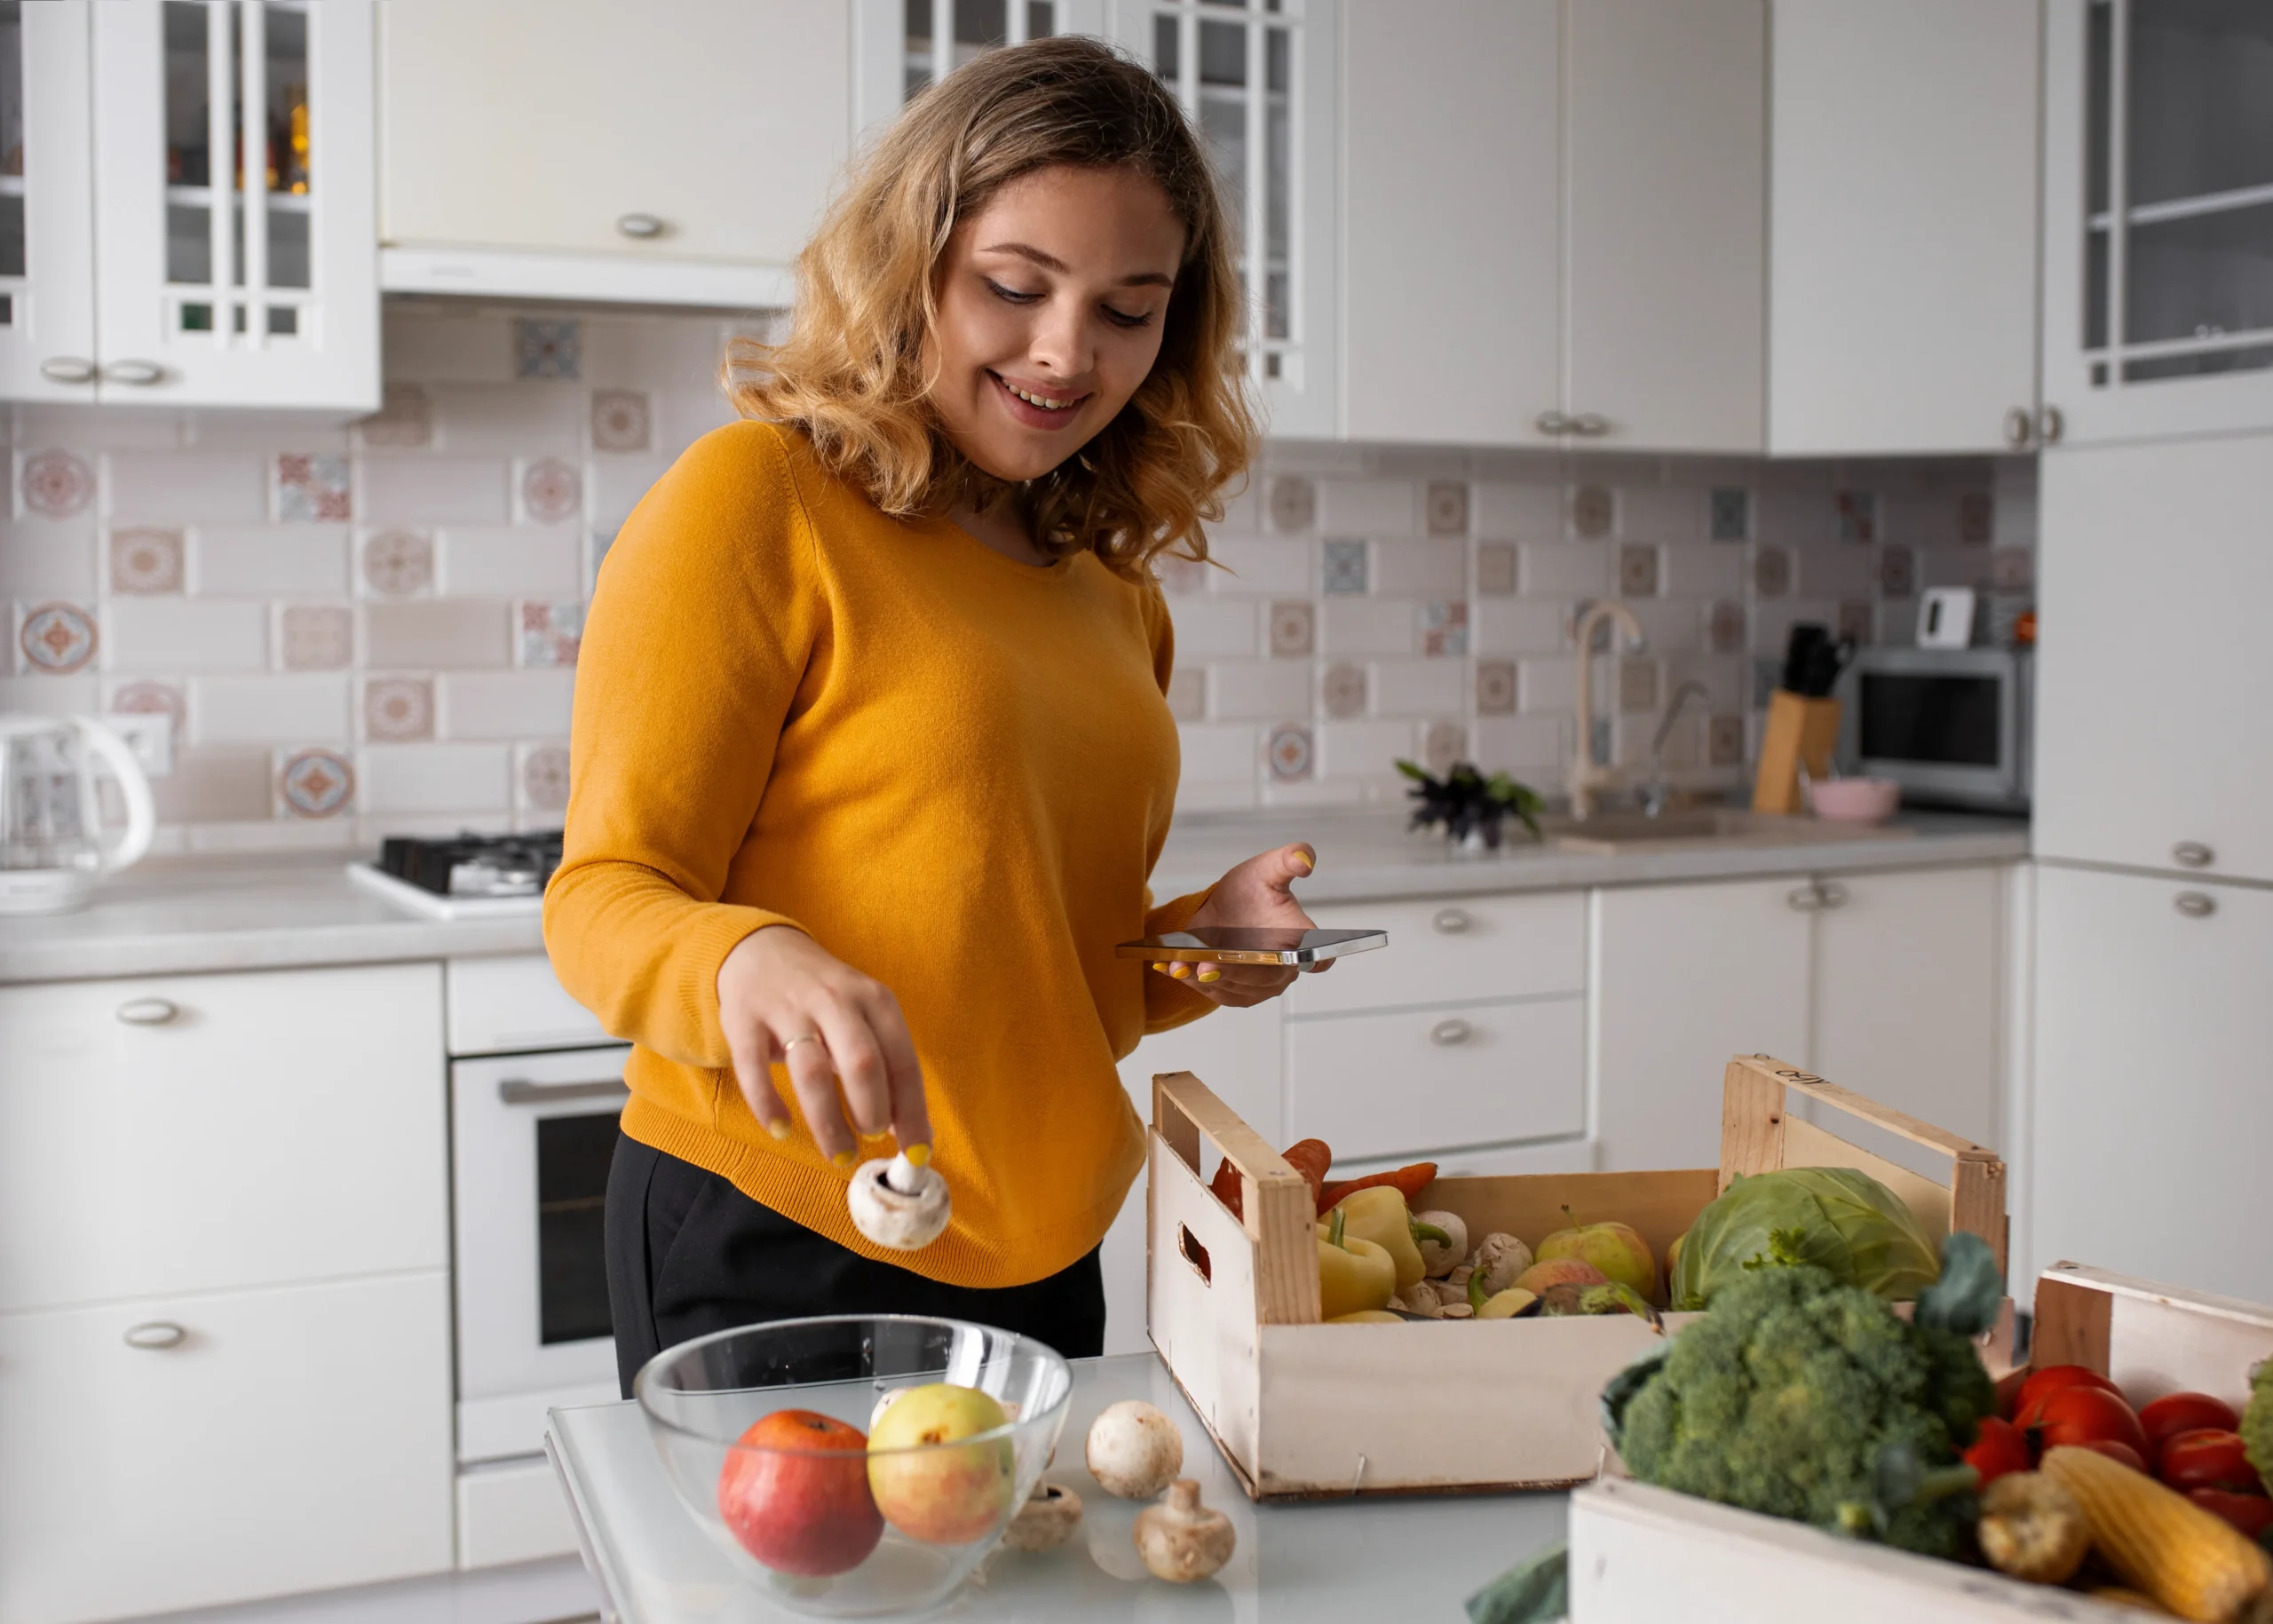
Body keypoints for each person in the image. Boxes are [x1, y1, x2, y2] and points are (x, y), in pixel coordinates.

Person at [544, 36, 1325, 1397]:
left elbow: (1038, 970)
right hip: (783, 1227)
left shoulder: (1110, 585)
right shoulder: (758, 502)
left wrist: (1196, 952)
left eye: (1129, 309)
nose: (1065, 352)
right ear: (910, 264)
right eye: (1014, 288)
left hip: (1043, 1236)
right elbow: (603, 896)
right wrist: (741, 958)